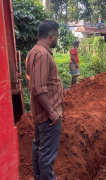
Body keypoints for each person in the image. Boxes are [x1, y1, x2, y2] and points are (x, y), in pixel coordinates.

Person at [25, 20, 63, 180]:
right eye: (57, 36)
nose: (57, 40)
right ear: (51, 36)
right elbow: (38, 88)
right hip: (48, 118)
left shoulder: (33, 52)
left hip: (40, 116)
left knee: (38, 150)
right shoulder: (43, 54)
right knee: (46, 158)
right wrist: (53, 113)